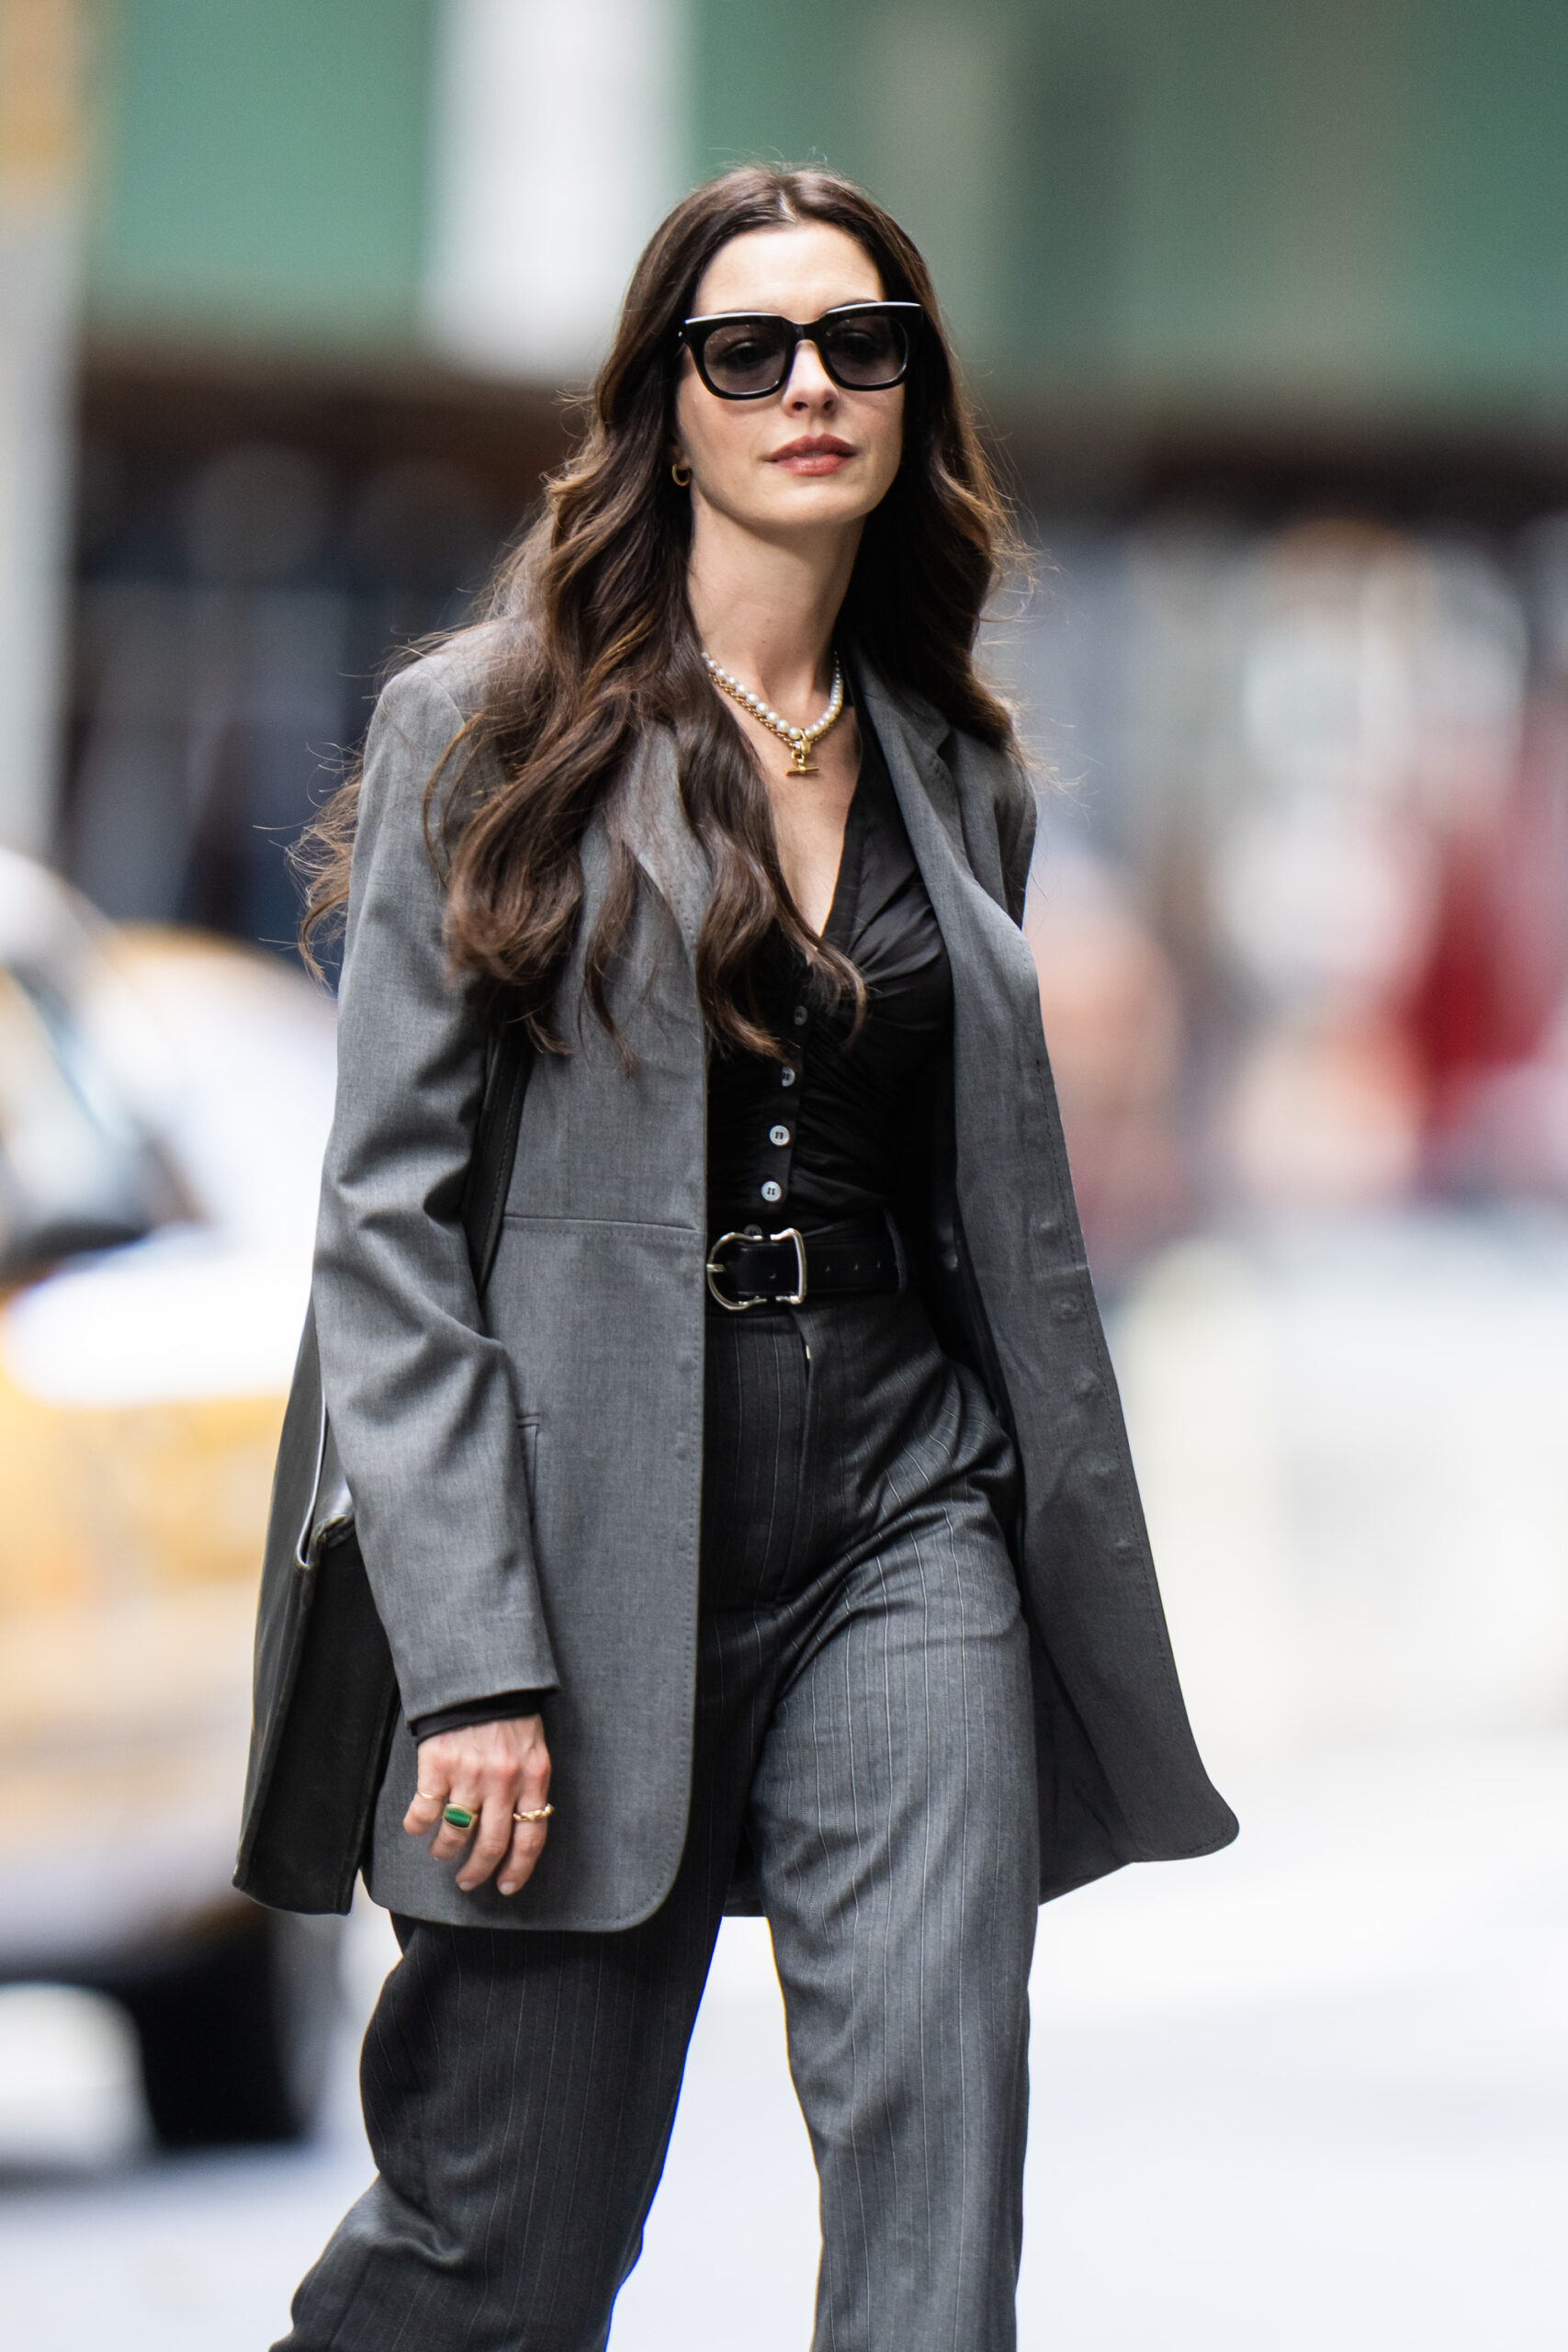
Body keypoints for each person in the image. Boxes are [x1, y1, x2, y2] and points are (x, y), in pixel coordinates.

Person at [265, 164, 1235, 2352]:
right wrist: (476, 1650)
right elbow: (386, 1231)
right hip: (577, 1528)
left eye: (858, 341)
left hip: (899, 1506)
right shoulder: (485, 730)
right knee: (498, 2242)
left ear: (909, 393)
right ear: (666, 405)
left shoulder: (953, 761)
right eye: (748, 349)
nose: (810, 384)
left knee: (934, 2148)